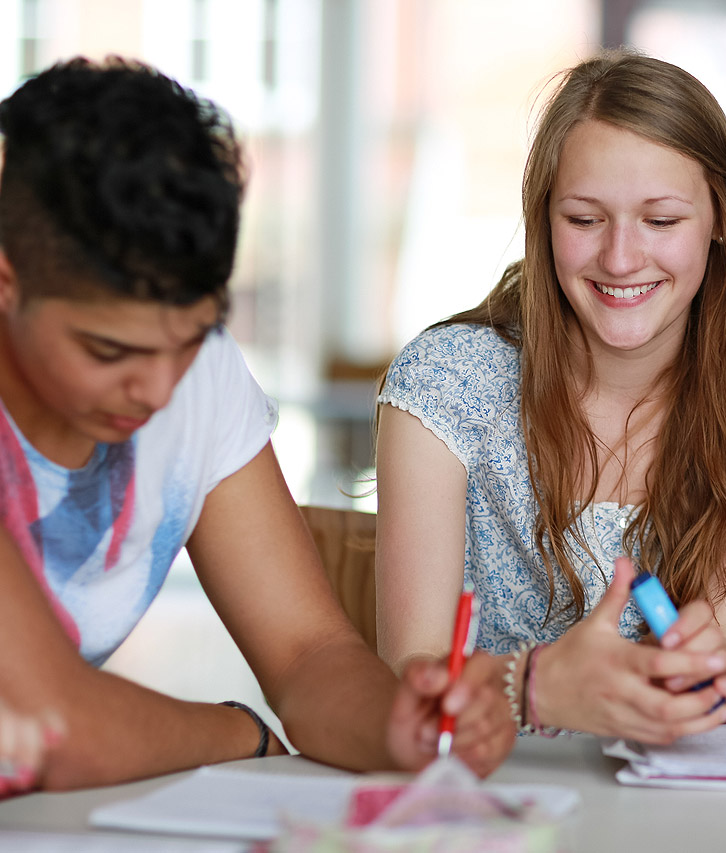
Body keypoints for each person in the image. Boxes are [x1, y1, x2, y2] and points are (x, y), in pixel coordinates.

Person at [0, 57, 512, 791]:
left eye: (190, 339)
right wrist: (239, 731)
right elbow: (55, 725)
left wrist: (399, 727)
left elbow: (308, 654)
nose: (156, 388)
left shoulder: (198, 378)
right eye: (108, 350)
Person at [375, 49, 726, 743]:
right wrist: (539, 687)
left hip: (664, 791)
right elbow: (407, 678)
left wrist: (724, 674)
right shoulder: (443, 382)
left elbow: (711, 657)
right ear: (543, 222)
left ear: (719, 221)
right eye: (586, 219)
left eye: (661, 221)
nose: (620, 259)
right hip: (478, 783)